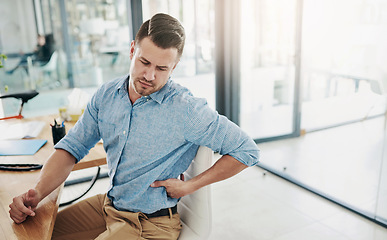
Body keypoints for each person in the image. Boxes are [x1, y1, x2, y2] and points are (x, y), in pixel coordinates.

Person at [9, 13, 259, 239]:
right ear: (132, 50)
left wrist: (190, 185)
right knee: (37, 233)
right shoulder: (107, 95)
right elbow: (72, 148)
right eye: (144, 62)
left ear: (174, 67)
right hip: (110, 206)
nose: (150, 75)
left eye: (162, 68)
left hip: (150, 224)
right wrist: (36, 195)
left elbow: (247, 151)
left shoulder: (187, 109)